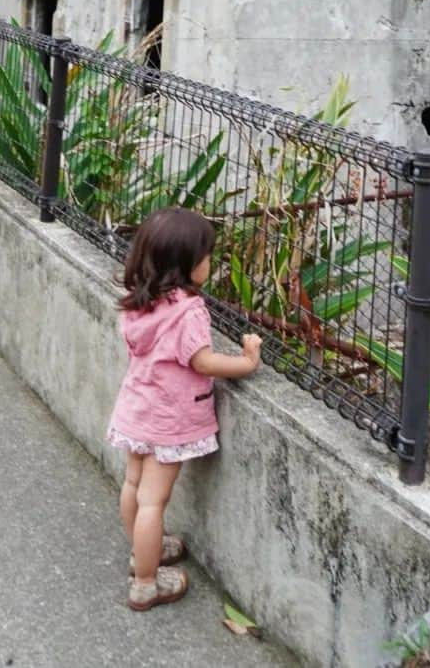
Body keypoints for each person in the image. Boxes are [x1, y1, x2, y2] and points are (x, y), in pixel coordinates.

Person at [106, 206, 262, 611]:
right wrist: (246, 361)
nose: (211, 263)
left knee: (134, 486)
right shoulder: (188, 310)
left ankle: (144, 549)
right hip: (167, 418)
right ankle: (145, 580)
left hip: (136, 408)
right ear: (186, 264)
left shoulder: (140, 300)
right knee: (153, 502)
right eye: (207, 257)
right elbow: (203, 361)